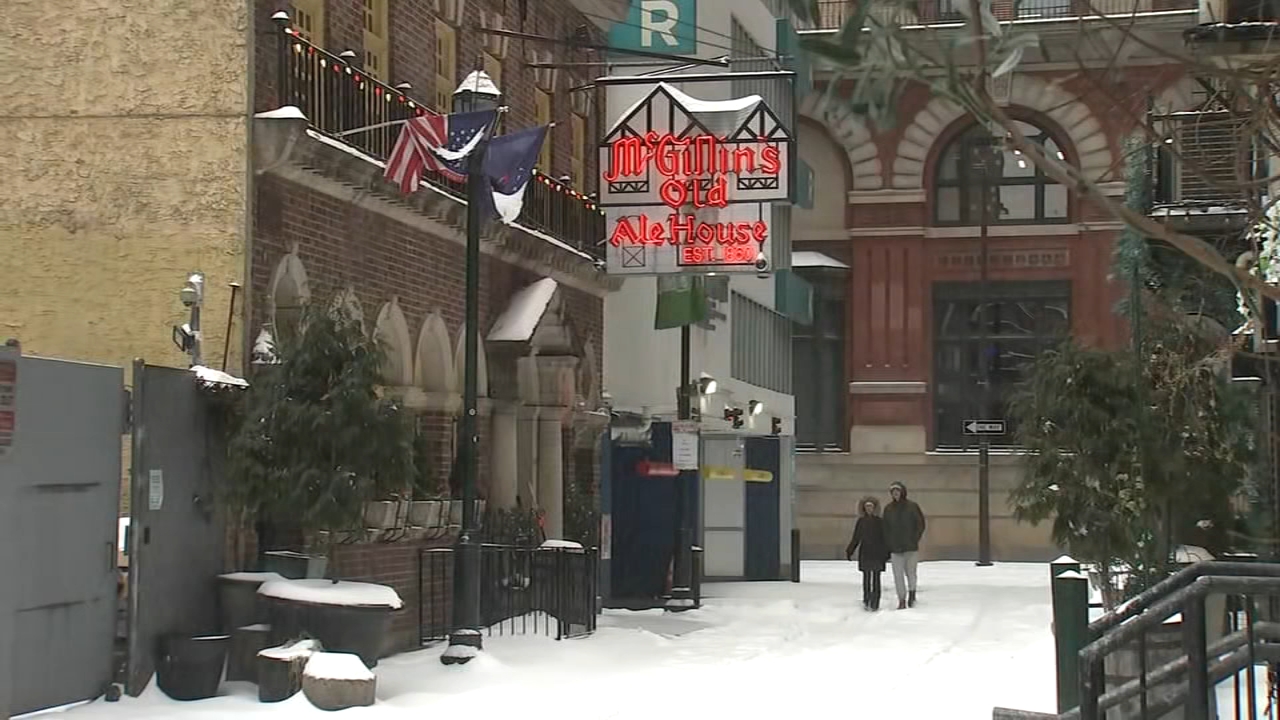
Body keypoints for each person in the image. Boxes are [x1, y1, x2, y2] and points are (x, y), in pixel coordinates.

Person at [882, 481, 927, 609]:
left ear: (902, 492)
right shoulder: (888, 509)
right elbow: (885, 528)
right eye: (893, 492)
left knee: (911, 573)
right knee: (897, 575)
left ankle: (912, 592)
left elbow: (920, 524)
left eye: (897, 491)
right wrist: (889, 543)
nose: (895, 494)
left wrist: (914, 539)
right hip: (895, 548)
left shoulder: (912, 507)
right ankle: (901, 599)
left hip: (910, 547)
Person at [845, 496, 890, 611]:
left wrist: (886, 553)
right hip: (865, 552)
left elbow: (885, 538)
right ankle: (866, 599)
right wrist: (850, 550)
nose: (869, 509)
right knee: (866, 578)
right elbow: (856, 537)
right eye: (867, 507)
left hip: (877, 552)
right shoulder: (861, 522)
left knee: (876, 578)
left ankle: (875, 601)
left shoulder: (880, 522)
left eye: (871, 506)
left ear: (874, 508)